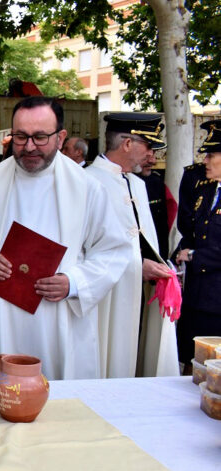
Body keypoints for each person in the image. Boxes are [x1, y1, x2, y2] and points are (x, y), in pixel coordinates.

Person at [0, 96, 130, 381]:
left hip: (59, 316)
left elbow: (114, 251)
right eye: (20, 137)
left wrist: (74, 282)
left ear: (61, 137)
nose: (29, 146)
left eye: (40, 137)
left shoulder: (87, 189)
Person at [86, 112, 178, 378]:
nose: (152, 155)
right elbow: (84, 250)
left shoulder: (138, 184)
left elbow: (143, 240)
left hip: (139, 292)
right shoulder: (87, 181)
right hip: (106, 300)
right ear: (127, 144)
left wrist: (162, 268)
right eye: (148, 146)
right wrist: (137, 266)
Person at [174, 120, 221, 370]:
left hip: (218, 303)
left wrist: (194, 255)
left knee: (213, 370)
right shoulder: (209, 192)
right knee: (192, 365)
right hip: (198, 297)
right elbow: (191, 231)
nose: (205, 161)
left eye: (211, 154)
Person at [136, 148, 178, 260]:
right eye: (146, 156)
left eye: (153, 155)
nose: (153, 161)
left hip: (155, 257)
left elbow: (168, 215)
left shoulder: (156, 183)